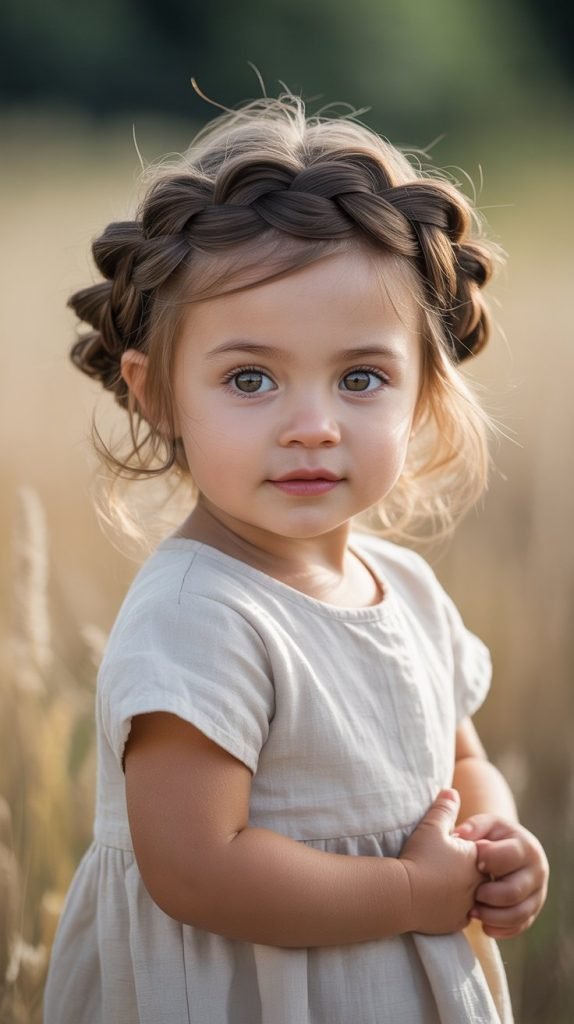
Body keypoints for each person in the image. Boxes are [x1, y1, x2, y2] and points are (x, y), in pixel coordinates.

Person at [44, 93, 549, 1024]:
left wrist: (494, 835)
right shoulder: (202, 615)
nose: (312, 426)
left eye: (361, 378)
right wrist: (407, 893)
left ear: (424, 396)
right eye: (250, 379)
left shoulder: (407, 588)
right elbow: (196, 869)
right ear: (156, 396)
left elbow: (458, 762)